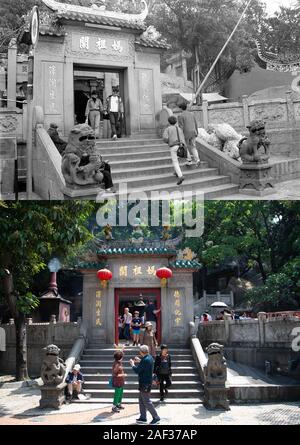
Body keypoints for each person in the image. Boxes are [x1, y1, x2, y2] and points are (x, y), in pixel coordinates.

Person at [130, 345, 160, 425]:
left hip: (145, 383)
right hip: (145, 382)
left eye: (139, 351)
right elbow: (145, 365)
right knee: (141, 400)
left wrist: (132, 364)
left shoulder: (145, 360)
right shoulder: (149, 357)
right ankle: (143, 417)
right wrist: (140, 360)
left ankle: (156, 417)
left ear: (141, 352)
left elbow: (137, 370)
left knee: (146, 401)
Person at [163, 116, 186, 185]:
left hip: (173, 146)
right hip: (180, 146)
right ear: (176, 122)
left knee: (175, 161)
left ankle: (180, 176)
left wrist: (168, 142)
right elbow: (182, 138)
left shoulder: (167, 129)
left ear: (169, 122)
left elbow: (165, 138)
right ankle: (176, 172)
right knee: (177, 159)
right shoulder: (179, 129)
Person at [178, 103, 201, 167]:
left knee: (185, 147)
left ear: (180, 108)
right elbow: (195, 123)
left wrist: (180, 136)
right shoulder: (192, 114)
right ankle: (197, 160)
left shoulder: (180, 116)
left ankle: (189, 161)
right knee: (193, 147)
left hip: (186, 133)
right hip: (193, 132)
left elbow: (181, 127)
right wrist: (197, 132)